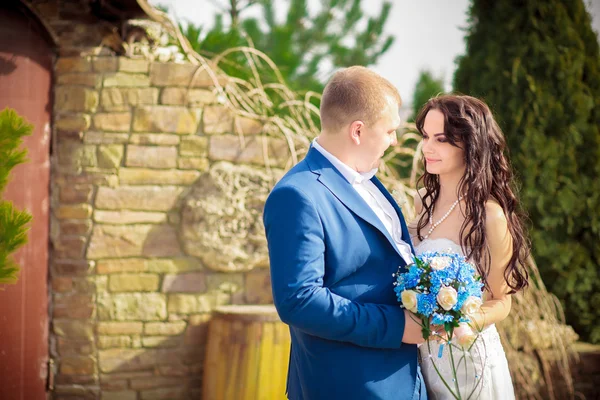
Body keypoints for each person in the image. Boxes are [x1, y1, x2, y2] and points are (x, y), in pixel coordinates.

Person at [263, 66, 427, 400]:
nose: (395, 141)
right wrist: (398, 327)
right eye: (390, 130)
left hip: (407, 380)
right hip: (350, 385)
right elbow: (299, 300)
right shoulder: (298, 195)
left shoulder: (369, 181)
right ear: (357, 131)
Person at [409, 94, 530, 399]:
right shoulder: (420, 201)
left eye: (441, 139)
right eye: (425, 136)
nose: (427, 148)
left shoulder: (489, 215)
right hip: (421, 358)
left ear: (470, 144)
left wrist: (462, 322)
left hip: (468, 359)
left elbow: (502, 300)